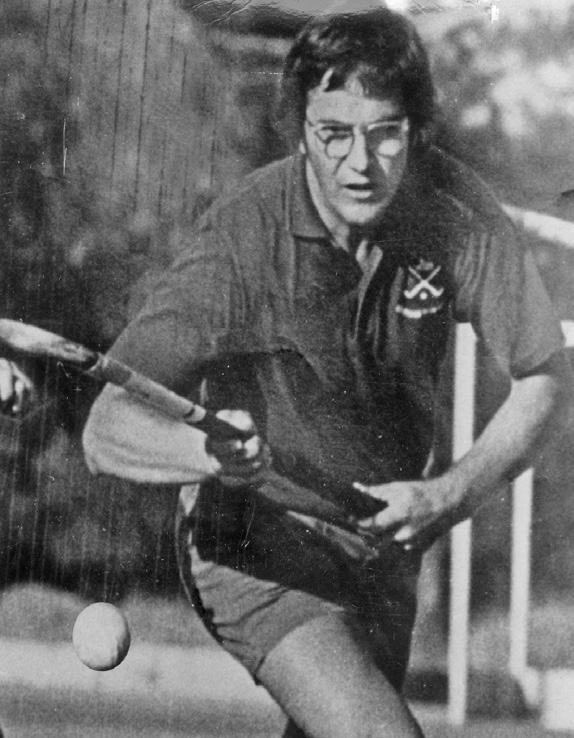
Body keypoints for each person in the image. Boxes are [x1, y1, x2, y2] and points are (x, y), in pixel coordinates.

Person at [82, 8, 570, 737]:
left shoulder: (454, 212)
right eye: (333, 133)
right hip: (258, 548)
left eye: (385, 133)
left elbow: (546, 378)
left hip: (382, 557)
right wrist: (205, 454)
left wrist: (448, 494)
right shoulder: (244, 240)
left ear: (418, 130)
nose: (359, 163)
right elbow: (107, 429)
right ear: (300, 131)